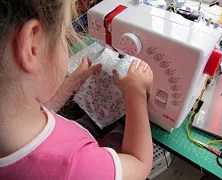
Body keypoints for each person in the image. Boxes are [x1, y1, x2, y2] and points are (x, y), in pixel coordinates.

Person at [0, 0, 153, 179]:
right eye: (65, 35)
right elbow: (139, 163)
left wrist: (74, 81)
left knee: (90, 124)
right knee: (115, 137)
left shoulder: (15, 118)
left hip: (72, 136)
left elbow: (41, 109)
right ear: (32, 45)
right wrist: (136, 93)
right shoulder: (75, 165)